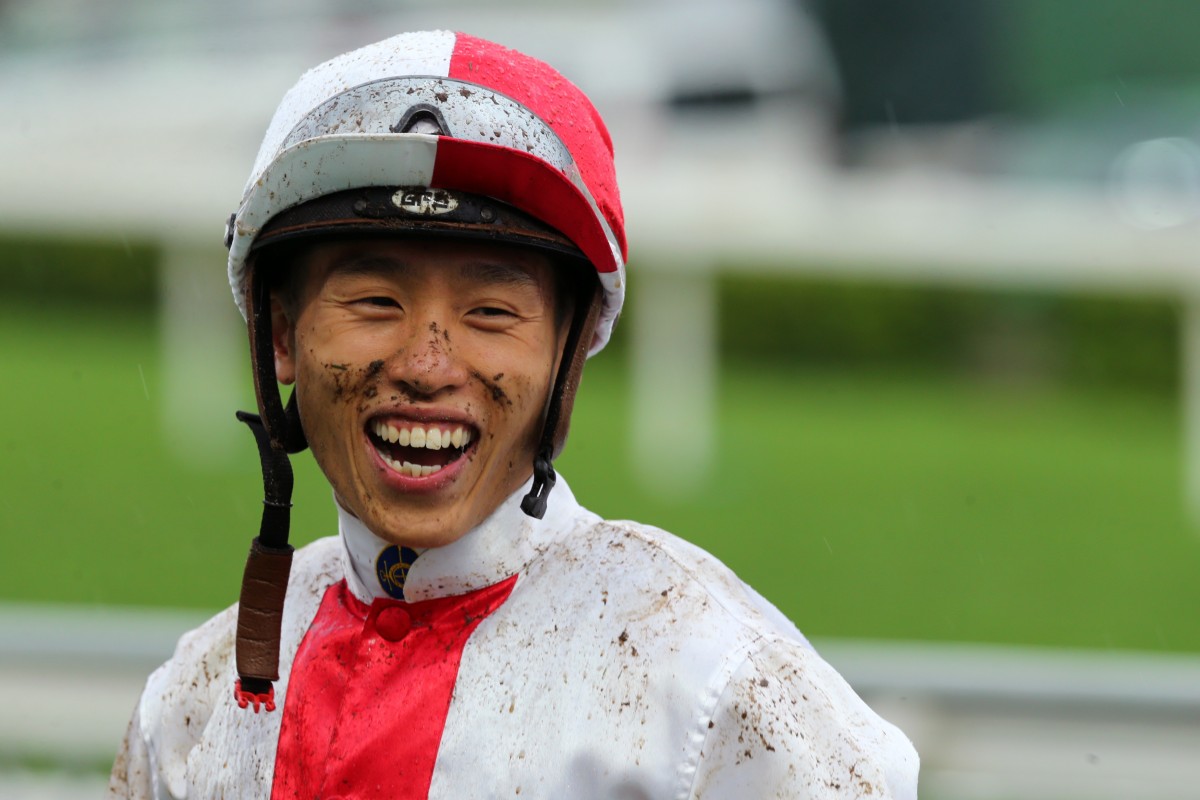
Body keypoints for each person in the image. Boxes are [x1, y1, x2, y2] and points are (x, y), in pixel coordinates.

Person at [109, 30, 918, 799]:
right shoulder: (194, 703)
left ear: (567, 355)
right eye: (374, 300)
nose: (427, 365)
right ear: (281, 335)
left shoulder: (715, 685)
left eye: (491, 311)